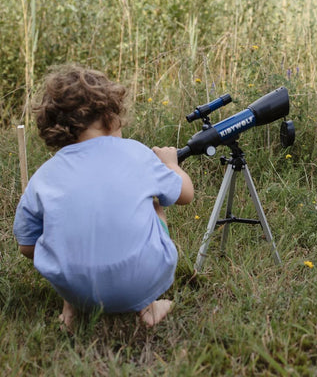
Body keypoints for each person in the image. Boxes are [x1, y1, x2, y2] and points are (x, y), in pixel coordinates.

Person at [13, 64, 194, 329]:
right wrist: (171, 164)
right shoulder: (137, 153)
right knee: (154, 205)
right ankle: (149, 307)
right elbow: (186, 194)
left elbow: (26, 246)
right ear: (110, 116)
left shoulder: (44, 175)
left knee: (64, 232)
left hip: (74, 288)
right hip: (141, 280)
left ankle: (72, 308)